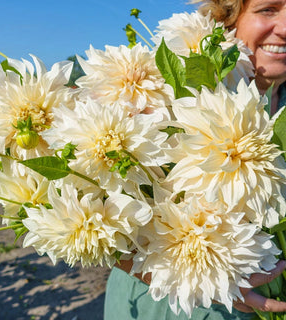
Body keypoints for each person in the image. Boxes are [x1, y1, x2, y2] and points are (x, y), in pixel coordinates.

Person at [104, 0, 286, 319]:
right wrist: (207, 285)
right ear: (227, 17)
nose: (285, 28)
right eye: (268, 9)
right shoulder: (158, 95)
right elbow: (84, 213)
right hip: (169, 303)